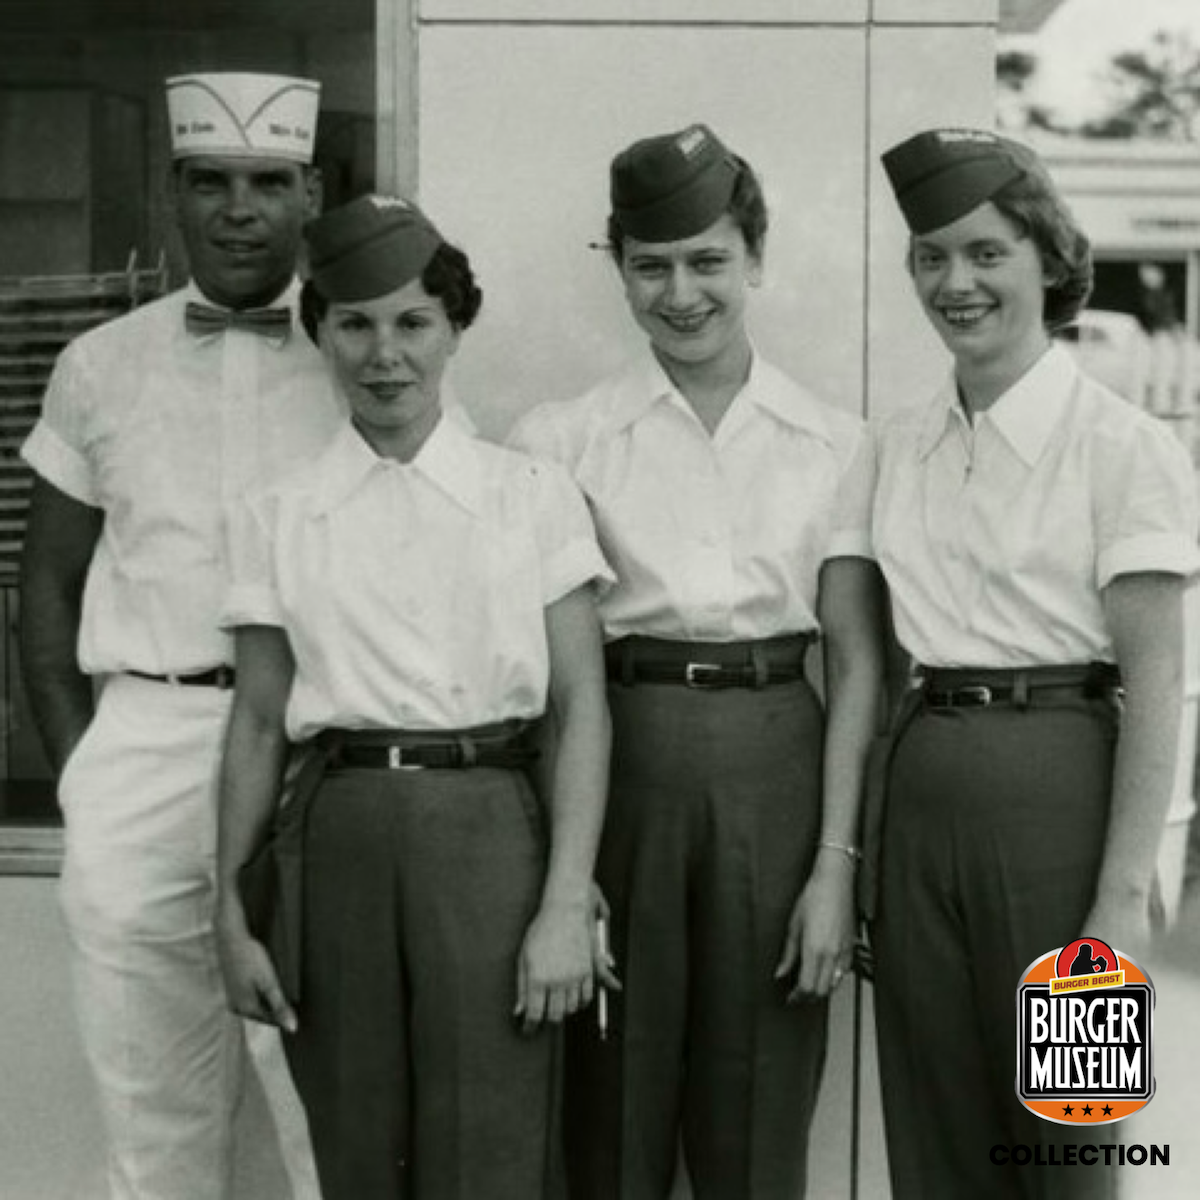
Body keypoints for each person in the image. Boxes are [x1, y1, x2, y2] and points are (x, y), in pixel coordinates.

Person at [214, 193, 613, 1200]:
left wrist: (566, 898)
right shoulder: (279, 513)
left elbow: (581, 708)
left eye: (412, 322)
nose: (384, 353)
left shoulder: (529, 495)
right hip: (336, 841)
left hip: (489, 836)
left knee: (492, 1146)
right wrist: (227, 909)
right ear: (321, 334)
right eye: (354, 322)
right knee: (354, 1146)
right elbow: (259, 722)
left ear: (455, 328)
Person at [509, 125, 882, 1200]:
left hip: (778, 776)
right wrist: (567, 885)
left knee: (759, 1122)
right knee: (609, 1112)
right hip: (623, 774)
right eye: (652, 265)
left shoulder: (835, 442)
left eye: (709, 260)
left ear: (755, 258)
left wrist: (833, 867)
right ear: (620, 270)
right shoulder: (560, 442)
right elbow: (555, 680)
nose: (682, 292)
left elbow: (857, 666)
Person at [19, 72, 338, 1199]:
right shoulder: (99, 365)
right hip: (148, 737)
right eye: (212, 182)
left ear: (313, 193)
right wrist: (85, 775)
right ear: (174, 195)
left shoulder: (366, 356)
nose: (239, 209)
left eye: (268, 184)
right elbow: (46, 589)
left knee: (324, 1106)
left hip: (312, 749)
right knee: (152, 1112)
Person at [869, 127, 1200, 1199]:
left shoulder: (1122, 446)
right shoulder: (899, 442)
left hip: (1064, 810)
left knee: (1077, 1147)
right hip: (921, 812)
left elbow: (1160, 687)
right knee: (939, 1133)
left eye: (985, 253)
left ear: (1049, 260)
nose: (955, 283)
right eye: (931, 256)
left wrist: (1119, 901)